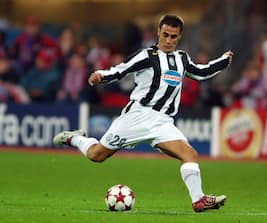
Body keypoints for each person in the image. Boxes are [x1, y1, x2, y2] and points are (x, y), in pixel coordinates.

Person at [53, 15, 233, 212]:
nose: (168, 40)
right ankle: (75, 139)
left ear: (179, 36)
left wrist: (223, 61)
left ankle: (198, 200)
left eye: (173, 36)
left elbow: (200, 72)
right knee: (97, 155)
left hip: (163, 122)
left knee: (189, 154)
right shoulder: (146, 56)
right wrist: (101, 76)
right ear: (158, 32)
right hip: (137, 117)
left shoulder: (182, 59)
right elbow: (121, 70)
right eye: (165, 35)